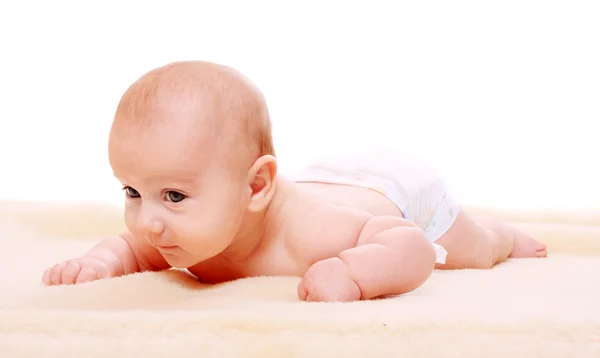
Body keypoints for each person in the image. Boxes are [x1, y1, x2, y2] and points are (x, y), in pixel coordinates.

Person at [42, 60, 547, 302]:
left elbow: (410, 245)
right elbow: (128, 248)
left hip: (393, 190)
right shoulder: (177, 233)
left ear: (256, 188)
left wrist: (354, 274)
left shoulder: (311, 235)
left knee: (474, 249)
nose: (146, 221)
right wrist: (96, 262)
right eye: (131, 191)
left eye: (173, 195)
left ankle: (504, 234)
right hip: (322, 179)